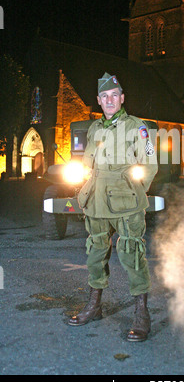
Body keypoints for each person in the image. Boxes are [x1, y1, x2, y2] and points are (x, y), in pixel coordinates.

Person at [68, 72, 158, 342]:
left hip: (125, 198)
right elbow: (88, 163)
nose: (109, 100)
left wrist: (136, 192)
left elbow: (150, 164)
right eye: (104, 96)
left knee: (131, 252)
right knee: (95, 251)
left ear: (122, 98)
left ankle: (141, 312)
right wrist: (83, 186)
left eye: (113, 95)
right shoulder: (95, 128)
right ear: (98, 100)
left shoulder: (137, 127)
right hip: (95, 197)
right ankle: (94, 305)